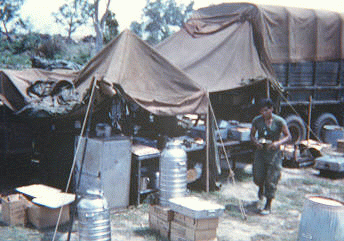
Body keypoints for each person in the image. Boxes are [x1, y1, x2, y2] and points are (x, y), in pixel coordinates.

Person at [250, 98, 291, 215]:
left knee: (272, 178)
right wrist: (255, 142)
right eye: (261, 111)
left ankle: (268, 204)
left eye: (266, 110)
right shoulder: (257, 121)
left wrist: (278, 143)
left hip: (273, 153)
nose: (264, 113)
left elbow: (288, 136)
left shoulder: (279, 121)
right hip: (261, 151)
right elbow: (252, 135)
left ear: (271, 109)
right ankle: (261, 187)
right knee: (258, 175)